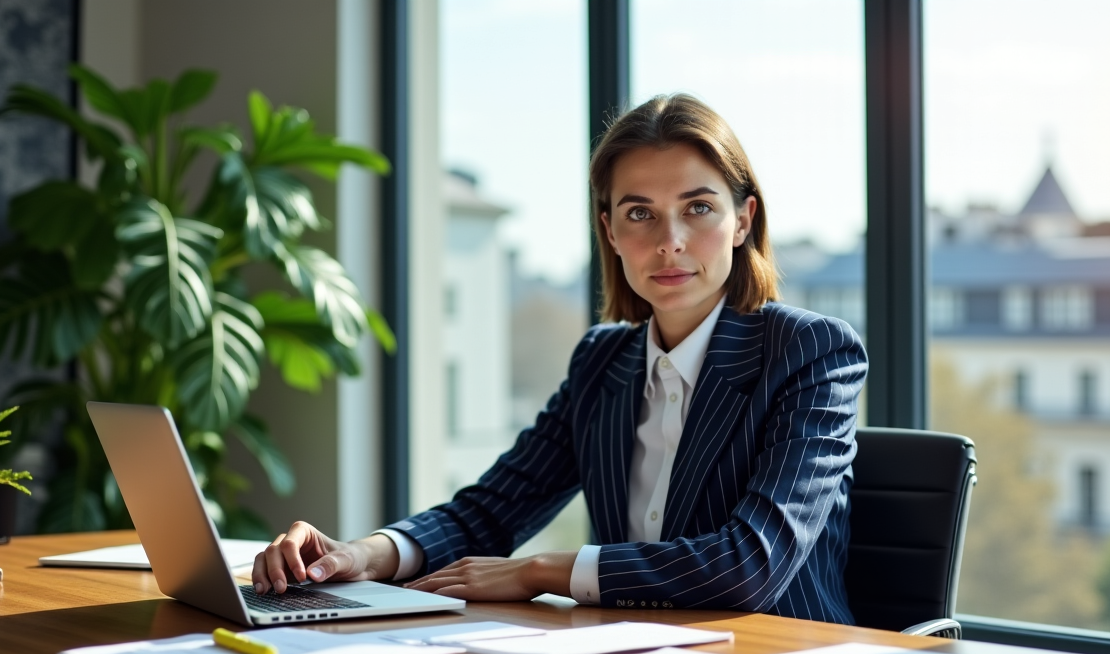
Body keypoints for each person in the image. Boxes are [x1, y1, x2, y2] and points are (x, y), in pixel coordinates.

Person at [253, 94, 867, 624]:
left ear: (743, 220)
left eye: (698, 208)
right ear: (610, 230)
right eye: (639, 213)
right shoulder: (604, 361)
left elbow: (749, 564)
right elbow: (492, 508)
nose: (669, 240)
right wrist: (363, 554)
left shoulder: (809, 352)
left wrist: (539, 571)